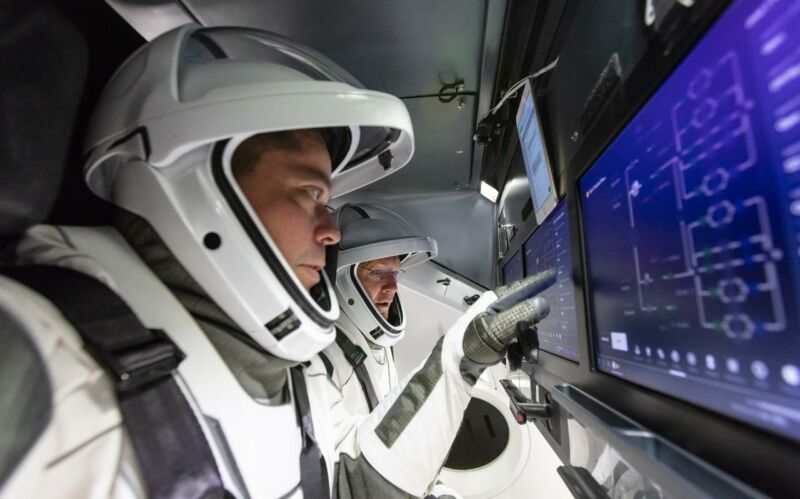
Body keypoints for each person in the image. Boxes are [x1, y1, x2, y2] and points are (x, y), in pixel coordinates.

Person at [4, 24, 555, 499]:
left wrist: (464, 354)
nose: (330, 229)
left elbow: (348, 485)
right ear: (198, 191)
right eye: (309, 195)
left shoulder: (291, 369)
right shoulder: (36, 356)